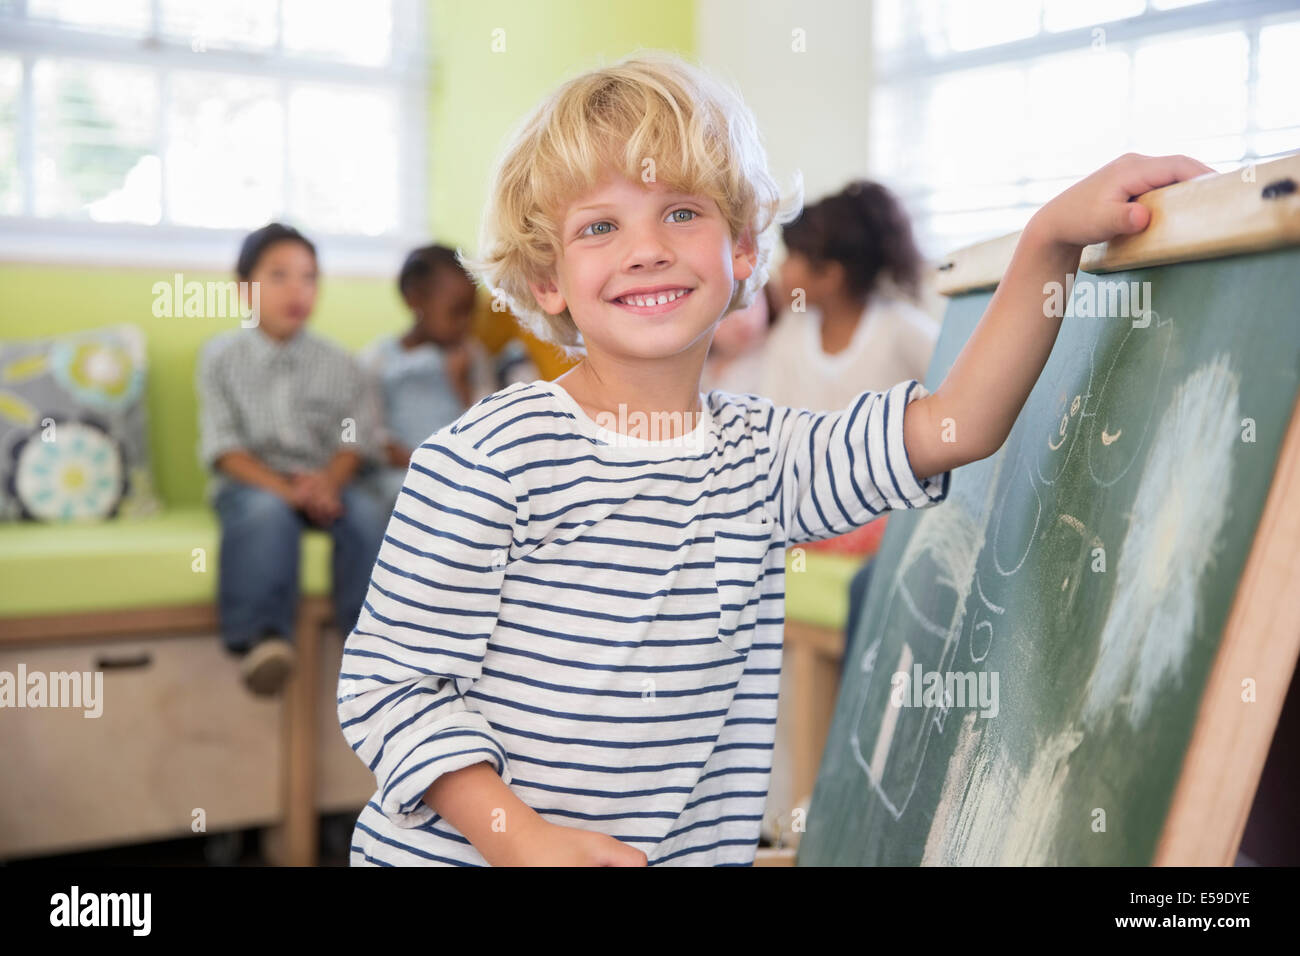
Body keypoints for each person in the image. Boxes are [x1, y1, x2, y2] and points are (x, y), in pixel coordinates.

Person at [336, 52, 1212, 866]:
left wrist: (1048, 243)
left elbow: (954, 427)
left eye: (682, 212)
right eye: (600, 225)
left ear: (744, 250)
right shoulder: (487, 457)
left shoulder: (768, 454)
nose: (647, 247)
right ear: (547, 281)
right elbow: (389, 687)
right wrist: (519, 838)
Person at [197, 223, 387, 696]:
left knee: (366, 516)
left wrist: (326, 484)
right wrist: (286, 491)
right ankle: (264, 639)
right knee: (265, 517)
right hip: (256, 483)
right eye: (278, 276)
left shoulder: (342, 363)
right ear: (244, 289)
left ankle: (371, 645)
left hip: (326, 484)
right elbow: (224, 448)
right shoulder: (220, 359)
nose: (296, 289)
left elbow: (354, 439)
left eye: (308, 277)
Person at [762, 179, 939, 411]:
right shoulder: (790, 331)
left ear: (830, 275)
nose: (782, 268)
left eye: (793, 256)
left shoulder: (902, 330)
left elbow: (955, 392)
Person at [357, 244, 497, 515]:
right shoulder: (378, 359)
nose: (465, 323)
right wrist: (415, 461)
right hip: (400, 475)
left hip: (462, 475)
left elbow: (491, 429)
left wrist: (461, 385)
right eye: (456, 312)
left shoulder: (472, 356)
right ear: (415, 300)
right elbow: (368, 431)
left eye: (471, 312)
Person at [700, 280, 779, 396]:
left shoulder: (779, 353)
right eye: (727, 310)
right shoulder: (700, 371)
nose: (742, 318)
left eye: (751, 302)